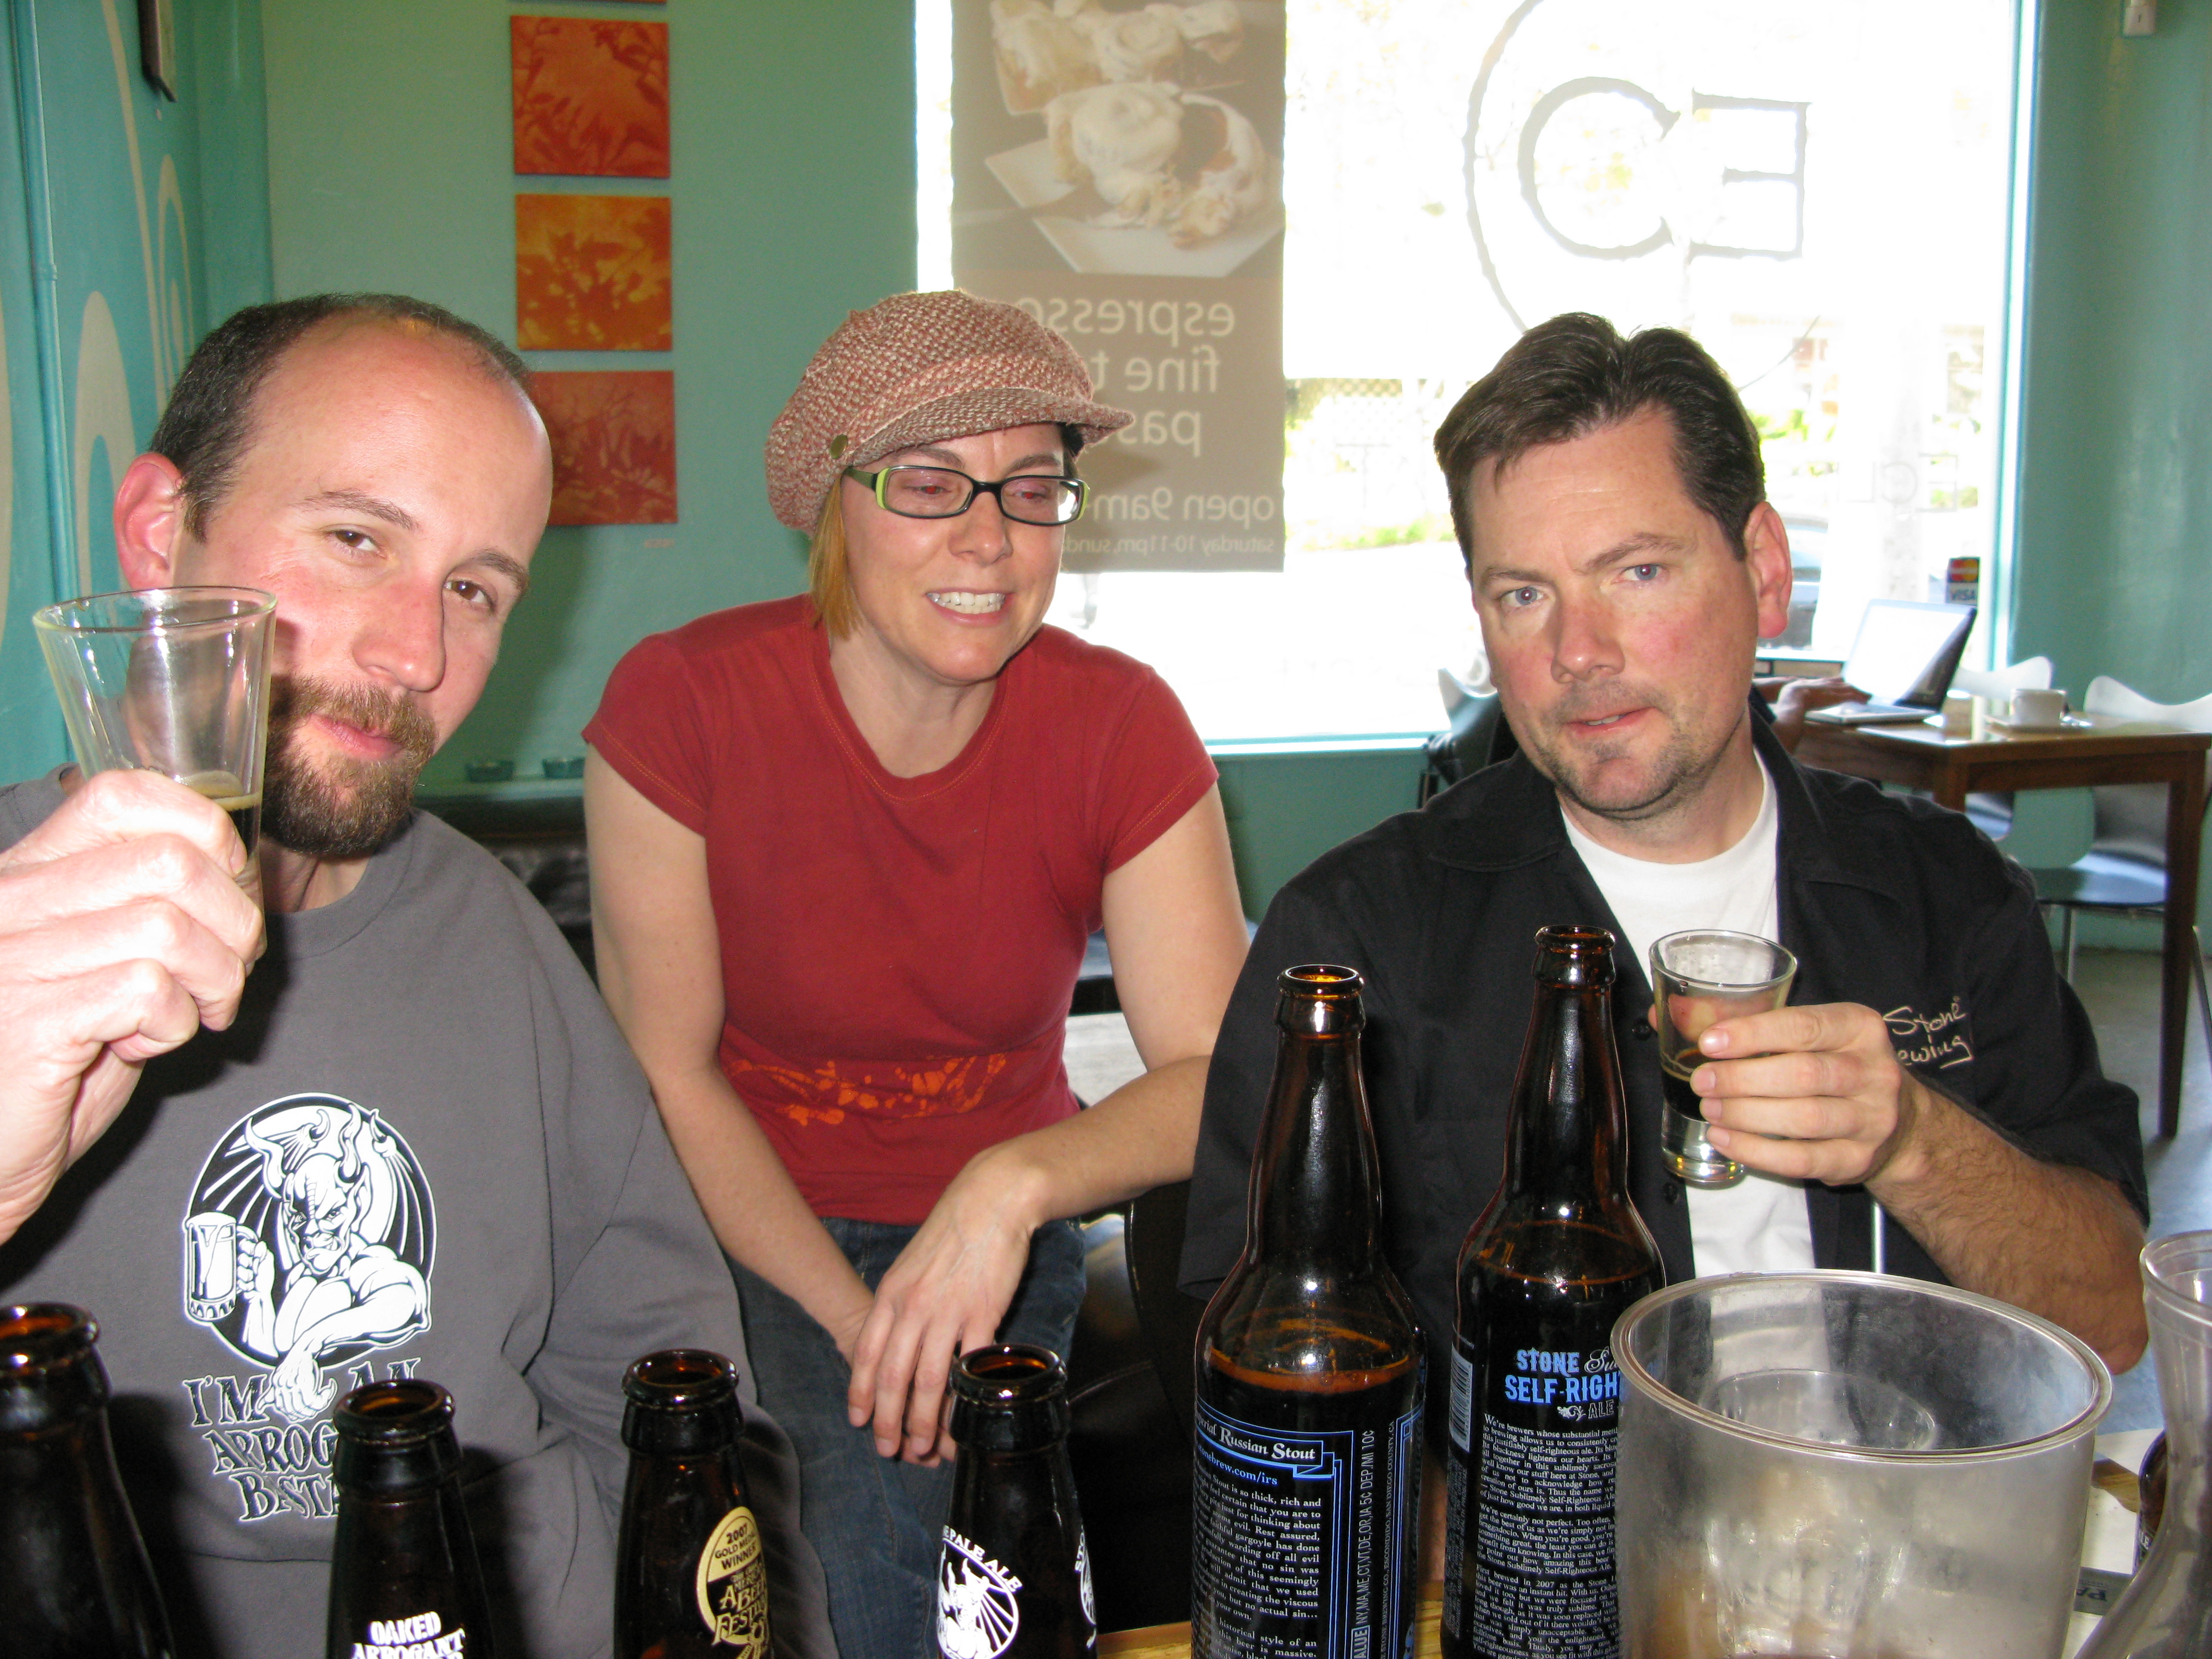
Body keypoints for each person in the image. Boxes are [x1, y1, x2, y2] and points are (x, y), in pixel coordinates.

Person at [0, 295, 834, 1659]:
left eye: (473, 588)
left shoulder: (491, 932)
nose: (419, 656)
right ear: (161, 535)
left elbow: (670, 1390)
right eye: (355, 538)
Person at [1180, 313, 2150, 1428]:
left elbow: (2111, 1315)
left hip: (1895, 1550)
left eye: (1635, 571)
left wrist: (1910, 1143)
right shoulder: (1358, 942)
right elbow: (1250, 1361)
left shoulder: (1943, 895)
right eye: (1522, 594)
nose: (1577, 651)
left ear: (1764, 571)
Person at [584, 288, 1249, 1655]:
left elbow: (1216, 1074)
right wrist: (851, 1318)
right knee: (851, 1572)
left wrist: (1004, 1191)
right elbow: (665, 1062)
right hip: (741, 1223)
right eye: (931, 483)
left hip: (1000, 1236)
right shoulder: (681, 707)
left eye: (1028, 487)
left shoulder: (1120, 725)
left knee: (969, 1574)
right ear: (834, 502)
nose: (989, 540)